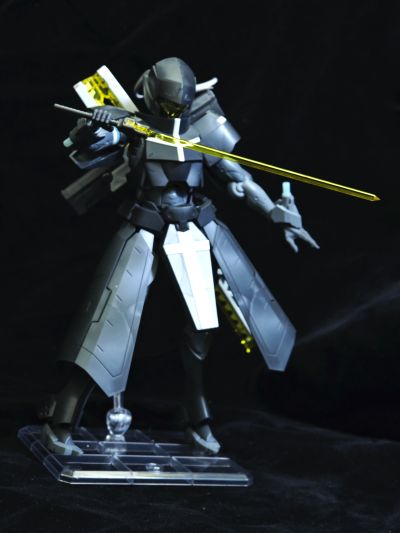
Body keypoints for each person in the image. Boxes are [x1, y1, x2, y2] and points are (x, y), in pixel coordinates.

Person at [41, 57, 319, 456]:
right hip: (143, 229)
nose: (174, 112)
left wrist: (279, 215)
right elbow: (85, 145)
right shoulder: (131, 128)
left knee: (199, 331)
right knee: (106, 327)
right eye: (169, 105)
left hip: (191, 232)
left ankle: (196, 417)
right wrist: (97, 124)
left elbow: (240, 181)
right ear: (152, 97)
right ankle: (62, 421)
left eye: (180, 106)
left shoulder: (202, 133)